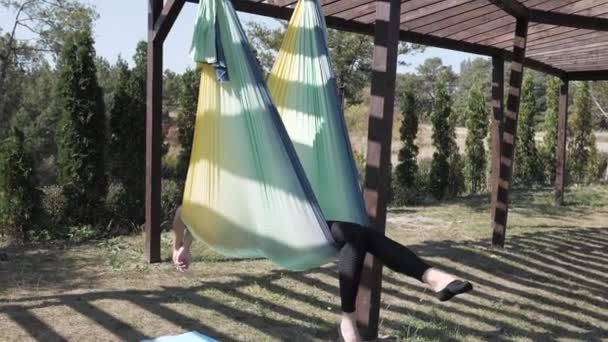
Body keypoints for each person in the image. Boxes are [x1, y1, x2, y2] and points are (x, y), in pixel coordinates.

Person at [172, 207, 472, 342]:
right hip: (265, 237)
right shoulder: (212, 187)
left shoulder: (256, 163)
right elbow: (183, 214)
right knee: (356, 236)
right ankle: (349, 320)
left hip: (288, 221)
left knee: (358, 236)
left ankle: (433, 277)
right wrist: (180, 247)